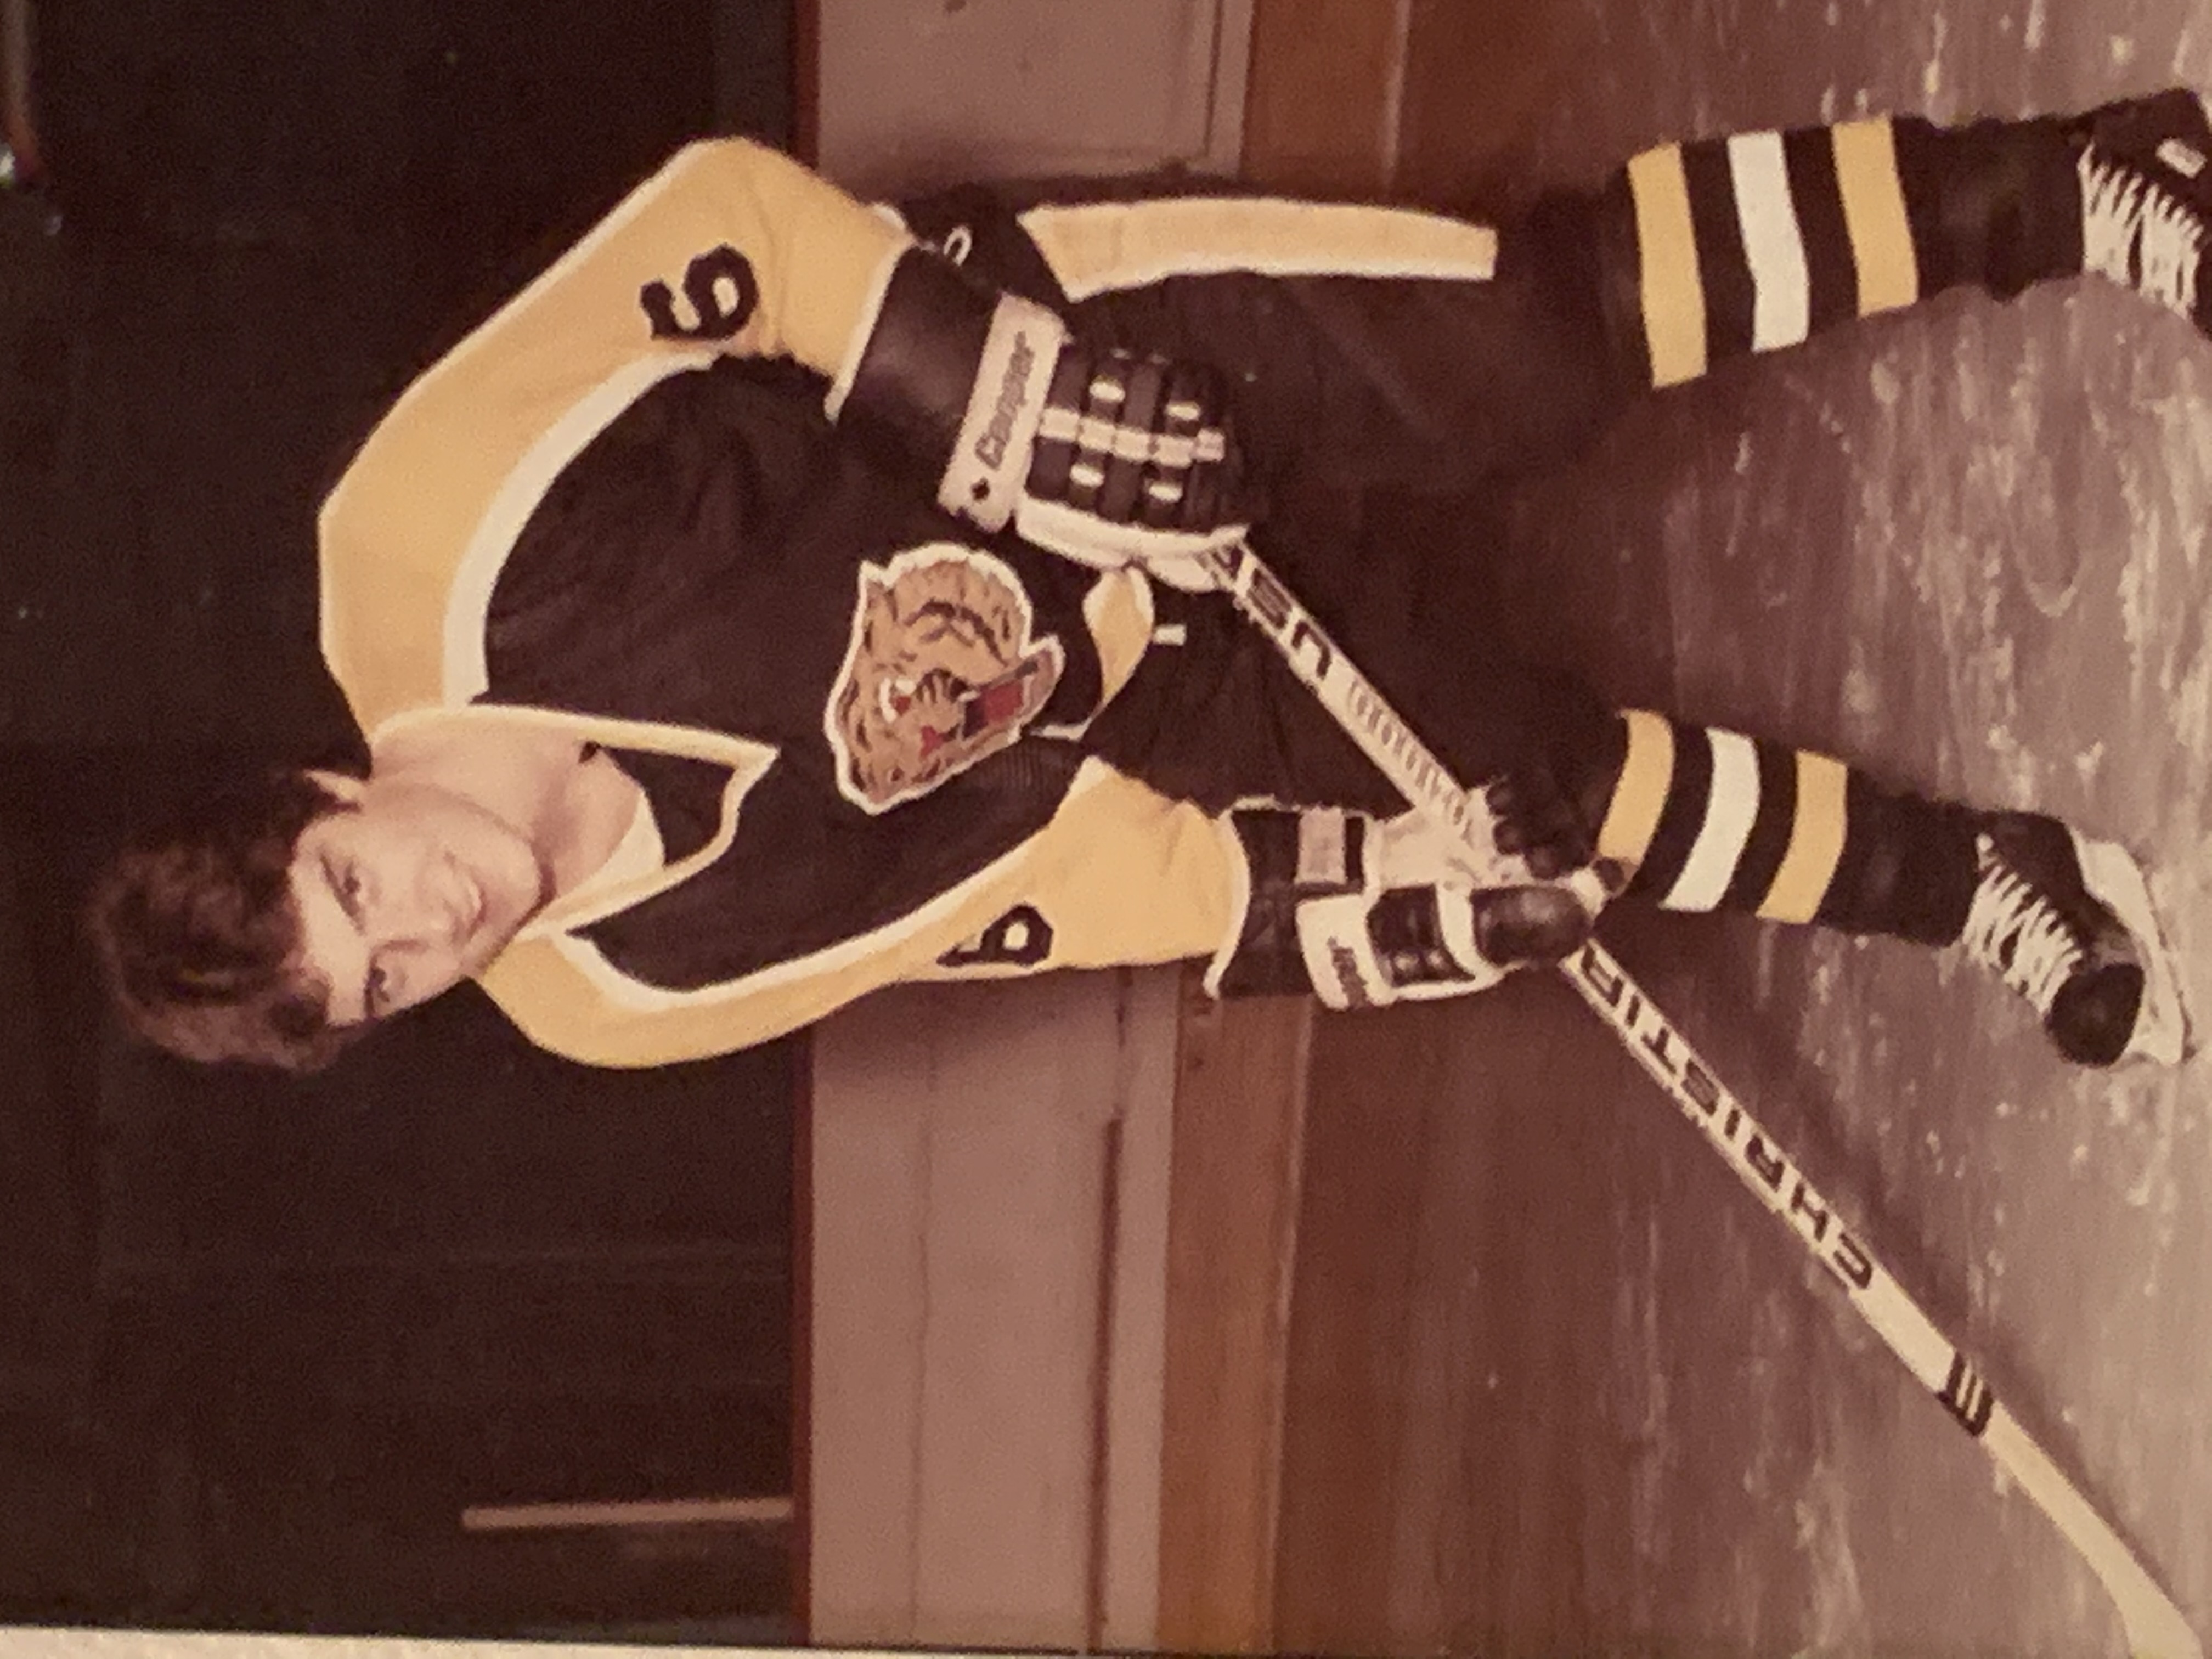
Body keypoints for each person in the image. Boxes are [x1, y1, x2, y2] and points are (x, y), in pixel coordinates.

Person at [88, 86, 2205, 1074]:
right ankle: (1984, 884)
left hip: (1088, 370)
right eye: (375, 991)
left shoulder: (423, 544)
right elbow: (1010, 900)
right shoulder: (615, 996)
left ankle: (2076, 186)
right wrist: (1336, 914)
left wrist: (998, 392)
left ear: (320, 791)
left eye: (356, 894)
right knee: (1544, 806)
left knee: (1547, 338)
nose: (426, 931)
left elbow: (722, 223)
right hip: (1123, 696)